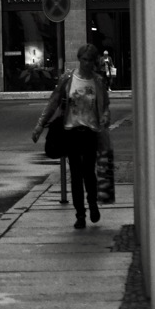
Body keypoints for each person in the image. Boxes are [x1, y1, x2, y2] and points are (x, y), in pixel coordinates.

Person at [31, 43, 110, 229]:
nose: (87, 63)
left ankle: (92, 203)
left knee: (89, 173)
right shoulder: (69, 79)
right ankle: (80, 214)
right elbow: (53, 102)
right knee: (75, 174)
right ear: (79, 59)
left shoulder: (98, 82)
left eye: (90, 60)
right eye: (84, 59)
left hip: (90, 132)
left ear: (94, 61)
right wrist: (40, 125)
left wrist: (105, 118)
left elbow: (105, 105)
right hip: (71, 132)